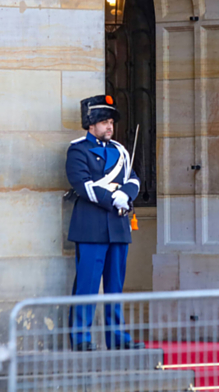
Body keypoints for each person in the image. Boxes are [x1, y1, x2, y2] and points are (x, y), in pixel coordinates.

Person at [65, 94, 144, 351]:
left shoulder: (120, 151)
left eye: (111, 122)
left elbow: (133, 178)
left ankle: (117, 337)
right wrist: (114, 199)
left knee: (115, 287)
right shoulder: (78, 150)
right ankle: (81, 338)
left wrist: (127, 194)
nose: (109, 126)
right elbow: (84, 186)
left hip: (118, 227)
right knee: (87, 286)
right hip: (91, 227)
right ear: (91, 124)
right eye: (104, 122)